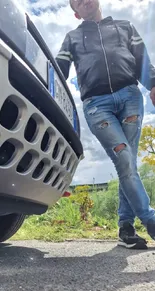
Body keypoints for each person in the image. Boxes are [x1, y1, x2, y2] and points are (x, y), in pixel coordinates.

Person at [56, 0, 155, 249]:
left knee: (128, 163)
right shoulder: (72, 38)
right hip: (97, 105)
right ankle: (151, 220)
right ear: (76, 13)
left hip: (131, 97)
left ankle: (126, 228)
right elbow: (58, 70)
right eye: (76, 1)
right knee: (123, 158)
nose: (84, 0)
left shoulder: (125, 26)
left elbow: (142, 59)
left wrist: (153, 83)